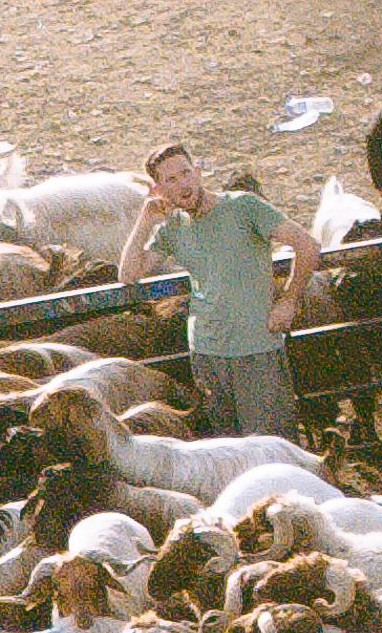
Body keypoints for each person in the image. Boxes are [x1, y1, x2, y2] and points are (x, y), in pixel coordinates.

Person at [127, 146, 312, 437]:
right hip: (206, 353)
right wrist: (144, 220)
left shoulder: (244, 207)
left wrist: (288, 301)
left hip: (255, 348)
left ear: (198, 173)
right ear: (159, 189)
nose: (183, 184)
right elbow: (128, 274)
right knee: (227, 446)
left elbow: (307, 245)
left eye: (186, 173)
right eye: (170, 180)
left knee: (271, 444)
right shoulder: (172, 227)